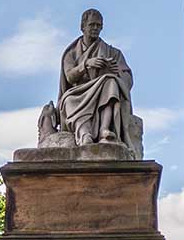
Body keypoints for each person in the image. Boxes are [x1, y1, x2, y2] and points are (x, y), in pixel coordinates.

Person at [58, 8, 140, 151]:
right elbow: (70, 76)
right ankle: (84, 134)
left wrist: (115, 72)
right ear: (82, 27)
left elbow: (127, 77)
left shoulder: (113, 52)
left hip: (103, 89)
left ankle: (105, 130)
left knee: (111, 82)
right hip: (78, 93)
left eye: (98, 25)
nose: (95, 28)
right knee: (69, 101)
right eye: (92, 25)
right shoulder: (70, 53)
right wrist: (86, 64)